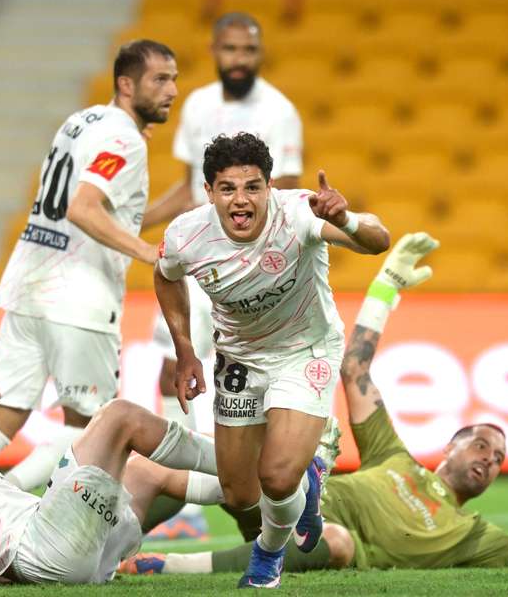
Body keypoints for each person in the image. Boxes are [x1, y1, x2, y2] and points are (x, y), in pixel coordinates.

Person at [121, 232, 508, 576]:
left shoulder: (472, 536)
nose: (490, 458)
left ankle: (163, 565)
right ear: (451, 443)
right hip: (285, 495)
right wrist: (387, 284)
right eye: (483, 443)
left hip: (317, 540)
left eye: (497, 457)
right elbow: (354, 368)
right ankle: (95, 536)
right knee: (159, 471)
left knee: (337, 542)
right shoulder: (392, 455)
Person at [0, 38, 179, 568]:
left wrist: (172, 208)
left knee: (6, 413)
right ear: (127, 85)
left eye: (174, 79)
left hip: (30, 281)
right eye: (159, 80)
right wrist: (149, 252)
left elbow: (85, 209)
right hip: (78, 299)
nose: (171, 90)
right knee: (95, 426)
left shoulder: (82, 121)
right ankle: (21, 509)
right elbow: (85, 210)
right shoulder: (125, 140)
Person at [154, 132, 390, 587]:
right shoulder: (186, 234)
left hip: (306, 351)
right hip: (239, 358)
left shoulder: (299, 212)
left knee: (278, 479)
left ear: (269, 186)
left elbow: (378, 240)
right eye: (228, 189)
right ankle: (313, 474)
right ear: (209, 192)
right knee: (242, 493)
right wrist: (185, 351)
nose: (241, 201)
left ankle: (268, 554)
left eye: (253, 187)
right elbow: (166, 277)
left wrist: (348, 219)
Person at [0, 338, 221, 586]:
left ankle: (251, 483)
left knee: (148, 471)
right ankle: (237, 463)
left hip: (63, 559)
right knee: (118, 415)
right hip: (42, 548)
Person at [141, 11, 303, 542]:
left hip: (251, 269)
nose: (239, 59)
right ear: (215, 50)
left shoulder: (280, 111)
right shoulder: (196, 105)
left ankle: (270, 483)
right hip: (199, 258)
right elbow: (190, 188)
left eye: (248, 51)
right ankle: (185, 500)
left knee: (255, 380)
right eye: (230, 49)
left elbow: (289, 194)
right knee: (174, 363)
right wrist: (140, 219)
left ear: (259, 55)